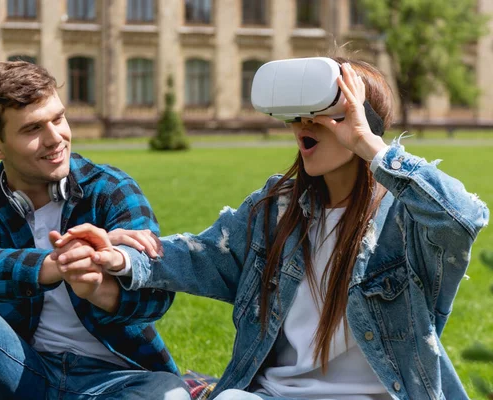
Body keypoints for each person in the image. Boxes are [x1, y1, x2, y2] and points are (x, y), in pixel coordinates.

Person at [52, 58, 490, 400]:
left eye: (322, 114)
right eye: (297, 116)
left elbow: (462, 217)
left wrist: (369, 144)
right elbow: (202, 255)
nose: (302, 126)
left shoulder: (405, 220)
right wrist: (122, 257)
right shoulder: (277, 210)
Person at [0, 61, 190, 400]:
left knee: (170, 394)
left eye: (58, 118)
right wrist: (56, 264)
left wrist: (96, 280)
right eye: (33, 129)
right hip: (20, 373)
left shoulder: (111, 189)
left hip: (118, 378)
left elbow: (156, 294)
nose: (55, 138)